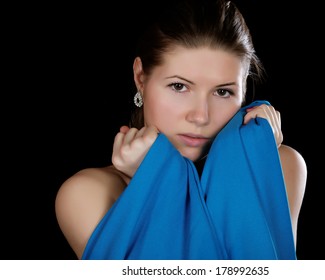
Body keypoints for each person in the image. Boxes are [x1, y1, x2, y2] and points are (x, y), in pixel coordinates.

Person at [55, 0, 307, 260]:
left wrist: (253, 154)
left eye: (223, 92)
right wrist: (158, 175)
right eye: (179, 87)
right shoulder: (88, 194)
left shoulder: (283, 165)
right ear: (140, 78)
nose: (200, 116)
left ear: (243, 90)